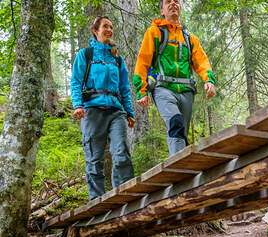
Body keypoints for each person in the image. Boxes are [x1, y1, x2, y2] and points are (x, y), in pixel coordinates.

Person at [133, 0, 216, 156]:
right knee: (175, 123)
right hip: (163, 88)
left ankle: (183, 170)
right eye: (168, 2)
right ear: (162, 10)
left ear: (180, 8)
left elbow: (201, 61)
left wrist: (208, 80)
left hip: (186, 91)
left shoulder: (190, 38)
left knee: (181, 133)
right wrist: (141, 90)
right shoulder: (154, 32)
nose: (173, 4)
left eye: (176, 1)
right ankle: (178, 173)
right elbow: (143, 61)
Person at [70, 16, 135, 200]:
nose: (109, 30)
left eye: (111, 27)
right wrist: (77, 105)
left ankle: (125, 198)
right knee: (94, 159)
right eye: (105, 26)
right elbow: (75, 82)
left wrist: (129, 112)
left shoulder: (117, 59)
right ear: (95, 30)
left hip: (116, 111)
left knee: (121, 152)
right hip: (92, 110)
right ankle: (96, 203)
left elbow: (124, 88)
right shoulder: (86, 55)